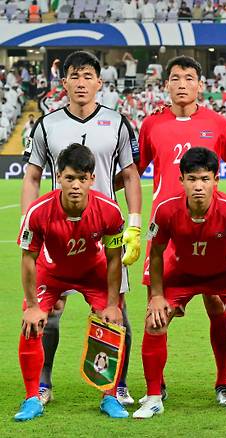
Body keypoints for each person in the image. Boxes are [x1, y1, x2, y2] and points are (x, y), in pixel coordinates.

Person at [21, 50, 142, 407]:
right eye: (74, 76)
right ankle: (44, 384)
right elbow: (32, 174)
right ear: (64, 83)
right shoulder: (48, 124)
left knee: (115, 310)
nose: (81, 83)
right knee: (50, 310)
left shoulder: (117, 122)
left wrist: (133, 224)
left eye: (88, 76)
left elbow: (131, 175)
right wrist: (29, 219)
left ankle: (117, 386)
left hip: (105, 233)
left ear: (99, 83)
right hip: (58, 233)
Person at [137, 55, 226, 406]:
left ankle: (223, 383)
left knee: (218, 308)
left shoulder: (217, 123)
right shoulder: (151, 124)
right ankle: (156, 389)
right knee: (156, 311)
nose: (182, 83)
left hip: (212, 230)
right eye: (175, 78)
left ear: (200, 85)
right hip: (167, 232)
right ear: (167, 85)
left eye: (189, 77)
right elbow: (133, 170)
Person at [133, 147, 226, 419]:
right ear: (181, 180)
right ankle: (154, 397)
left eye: (205, 179)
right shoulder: (166, 209)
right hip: (181, 273)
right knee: (154, 321)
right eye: (192, 179)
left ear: (216, 181)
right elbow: (156, 253)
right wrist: (157, 295)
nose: (198, 186)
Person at [15, 144, 128, 421]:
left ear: (92, 178)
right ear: (58, 177)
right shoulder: (39, 211)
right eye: (69, 178)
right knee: (31, 323)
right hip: (52, 273)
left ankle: (110, 396)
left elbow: (115, 259)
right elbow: (28, 258)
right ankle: (33, 398)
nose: (75, 185)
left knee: (114, 321)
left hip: (94, 273)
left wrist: (113, 304)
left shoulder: (110, 211)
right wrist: (32, 305)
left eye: (82, 178)